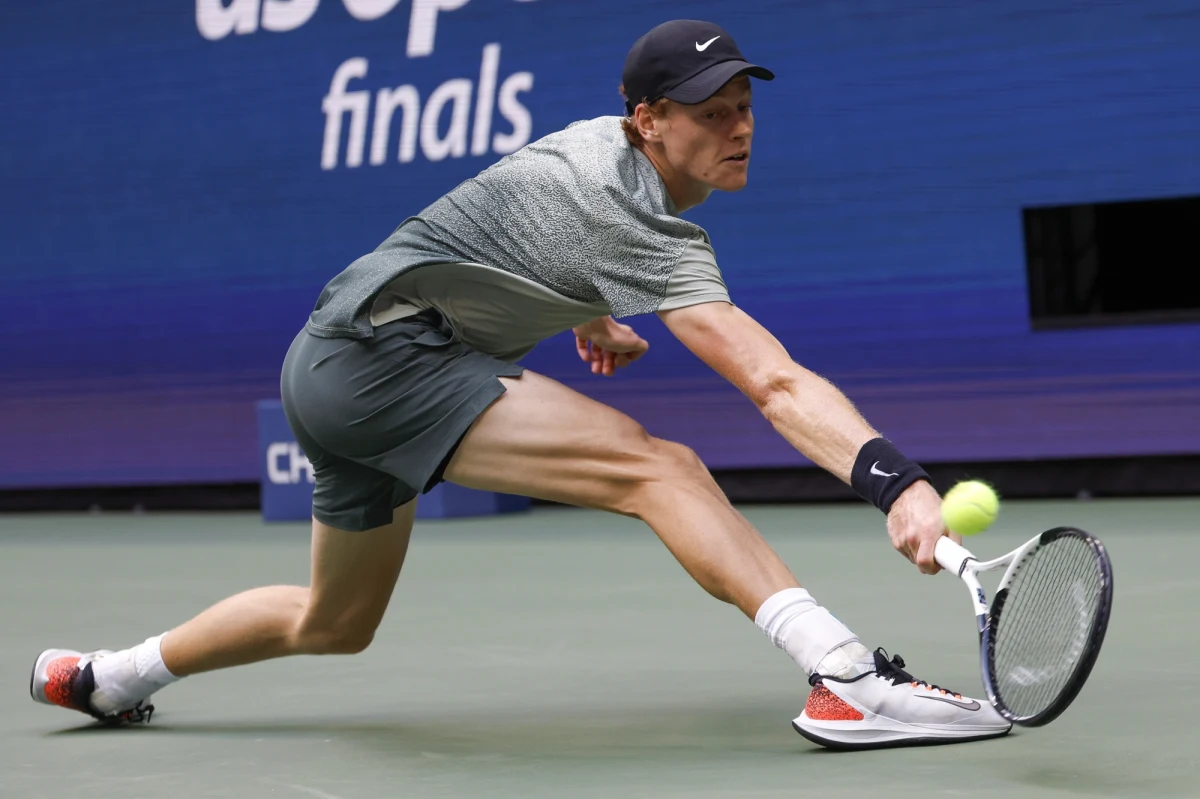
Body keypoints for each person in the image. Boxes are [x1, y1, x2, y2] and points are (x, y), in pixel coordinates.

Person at [31, 19, 1010, 750]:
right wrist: (894, 479)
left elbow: (497, 223)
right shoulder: (641, 222)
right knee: (657, 467)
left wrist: (584, 313)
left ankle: (110, 676)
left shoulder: (591, 147)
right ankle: (844, 676)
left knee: (332, 622)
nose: (740, 128)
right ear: (650, 122)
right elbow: (774, 380)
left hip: (329, 361)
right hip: (382, 364)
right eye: (712, 114)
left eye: (746, 106)